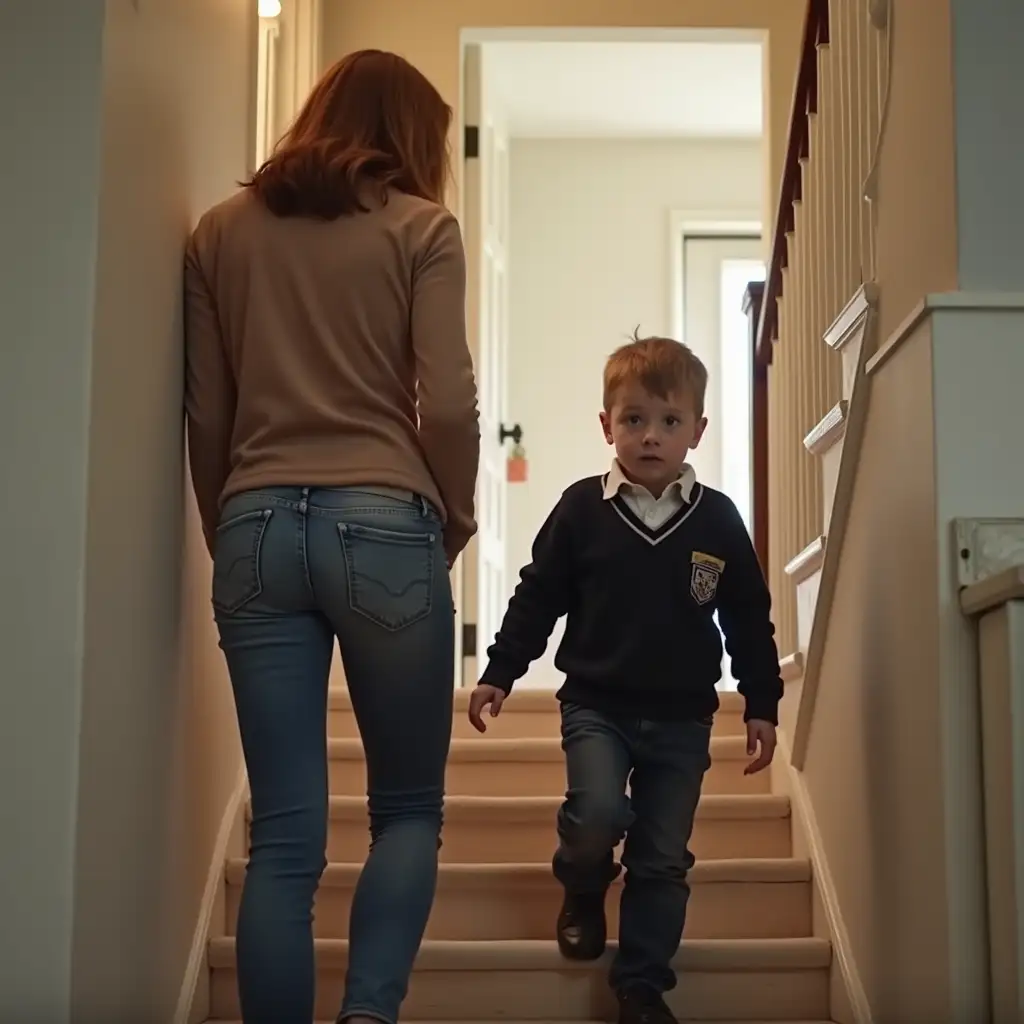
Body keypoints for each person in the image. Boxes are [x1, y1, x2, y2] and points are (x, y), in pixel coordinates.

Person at [184, 49, 479, 1024]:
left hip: (254, 524)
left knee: (283, 838)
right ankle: (366, 1013)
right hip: (386, 522)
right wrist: (459, 508)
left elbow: (208, 416)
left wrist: (228, 525)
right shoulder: (420, 227)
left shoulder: (219, 233)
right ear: (411, 136)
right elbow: (445, 405)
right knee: (404, 810)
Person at [467, 333, 782, 1024]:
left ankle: (641, 987)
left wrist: (763, 701)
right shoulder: (582, 509)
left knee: (663, 857)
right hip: (597, 706)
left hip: (683, 717)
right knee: (598, 816)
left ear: (697, 431)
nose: (650, 436)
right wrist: (500, 670)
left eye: (669, 422)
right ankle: (582, 886)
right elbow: (537, 595)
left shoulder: (720, 520)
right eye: (634, 419)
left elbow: (750, 619)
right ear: (606, 425)